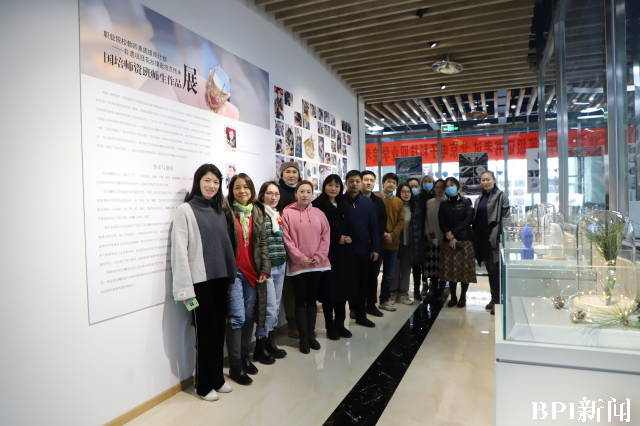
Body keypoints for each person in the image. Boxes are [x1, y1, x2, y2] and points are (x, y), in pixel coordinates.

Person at [170, 164, 237, 401]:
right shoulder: (185, 210)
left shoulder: (220, 209)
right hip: (200, 284)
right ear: (198, 181)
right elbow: (179, 252)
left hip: (220, 280)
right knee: (205, 335)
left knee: (218, 332)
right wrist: (186, 291)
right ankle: (203, 384)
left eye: (216, 182)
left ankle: (217, 378)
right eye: (207, 180)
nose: (211, 185)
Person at [226, 173, 270, 385]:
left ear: (251, 190)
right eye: (237, 187)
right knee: (237, 317)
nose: (242, 190)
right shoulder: (226, 212)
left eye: (246, 187)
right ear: (231, 190)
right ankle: (235, 366)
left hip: (253, 272)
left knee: (250, 316)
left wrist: (265, 268)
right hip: (234, 273)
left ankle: (245, 357)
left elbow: (263, 243)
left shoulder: (257, 211)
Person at [281, 180, 331, 353]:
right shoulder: (287, 213)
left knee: (312, 301)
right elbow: (286, 239)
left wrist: (318, 257)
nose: (305, 195)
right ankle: (303, 338)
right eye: (301, 191)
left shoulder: (319, 213)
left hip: (317, 265)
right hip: (298, 266)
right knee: (300, 300)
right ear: (296, 194)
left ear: (312, 194)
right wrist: (301, 258)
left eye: (308, 191)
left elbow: (326, 236)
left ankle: (311, 336)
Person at [312, 174, 353, 339]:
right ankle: (330, 327)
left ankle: (340, 324)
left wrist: (349, 236)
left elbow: (351, 224)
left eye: (336, 185)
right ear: (324, 186)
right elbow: (317, 231)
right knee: (329, 292)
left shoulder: (344, 202)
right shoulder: (317, 205)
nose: (333, 188)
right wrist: (337, 239)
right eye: (330, 185)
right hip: (327, 254)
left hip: (344, 254)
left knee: (343, 290)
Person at [253, 182, 288, 363]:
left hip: (280, 265)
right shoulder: (258, 213)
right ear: (262, 195)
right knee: (268, 309)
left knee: (275, 308)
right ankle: (260, 347)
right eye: (269, 193)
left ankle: (270, 344)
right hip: (266, 269)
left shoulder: (276, 214)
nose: (273, 197)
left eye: (276, 194)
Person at [344, 170, 380, 328]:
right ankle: (351, 310)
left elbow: (374, 227)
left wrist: (375, 248)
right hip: (344, 250)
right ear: (346, 183)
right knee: (348, 283)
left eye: (357, 181)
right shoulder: (340, 201)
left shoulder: (368, 203)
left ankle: (361, 314)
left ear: (361, 183)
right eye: (351, 181)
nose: (354, 184)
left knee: (362, 283)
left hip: (363, 249)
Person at [473, 171, 510, 315]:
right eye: (483, 180)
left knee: (496, 272)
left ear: (494, 180)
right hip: (483, 240)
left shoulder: (501, 196)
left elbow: (506, 219)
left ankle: (498, 301)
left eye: (488, 179)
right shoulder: (479, 198)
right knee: (490, 271)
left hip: (495, 239)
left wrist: (501, 237)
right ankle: (494, 299)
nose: (485, 182)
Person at [439, 177, 477, 308]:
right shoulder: (444, 204)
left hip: (464, 240)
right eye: (447, 186)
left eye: (452, 185)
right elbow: (441, 221)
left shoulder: (466, 201)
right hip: (448, 241)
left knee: (464, 271)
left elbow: (468, 220)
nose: (450, 187)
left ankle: (463, 296)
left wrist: (453, 233)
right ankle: (453, 297)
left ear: (458, 186)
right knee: (451, 271)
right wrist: (448, 234)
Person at [277, 161, 302, 338]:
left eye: (294, 172)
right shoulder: (278, 192)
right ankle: (292, 324)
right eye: (288, 172)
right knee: (289, 288)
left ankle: (303, 322)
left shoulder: (302, 191)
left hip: (303, 246)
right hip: (284, 246)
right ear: (282, 174)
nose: (291, 175)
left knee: (301, 285)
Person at [391, 183, 425, 305]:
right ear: (399, 193)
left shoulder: (415, 208)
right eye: (403, 191)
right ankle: (392, 293)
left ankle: (403, 294)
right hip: (396, 243)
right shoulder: (395, 206)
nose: (406, 194)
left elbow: (419, 227)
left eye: (408, 192)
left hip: (410, 244)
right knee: (395, 269)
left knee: (406, 270)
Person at [375, 173, 404, 312]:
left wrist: (392, 234)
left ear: (396, 185)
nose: (391, 184)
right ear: (383, 183)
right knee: (373, 273)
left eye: (394, 182)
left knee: (389, 274)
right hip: (377, 243)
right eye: (389, 181)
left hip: (392, 243)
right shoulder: (375, 198)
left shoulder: (398, 201)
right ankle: (369, 301)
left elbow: (401, 221)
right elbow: (372, 219)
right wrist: (381, 233)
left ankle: (384, 300)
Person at [361, 170, 386, 317]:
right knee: (359, 278)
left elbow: (382, 223)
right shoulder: (352, 200)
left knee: (372, 276)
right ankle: (357, 308)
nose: (369, 183)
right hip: (358, 245)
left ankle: (371, 305)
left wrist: (376, 244)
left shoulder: (378, 201)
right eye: (366, 180)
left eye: (371, 180)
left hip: (375, 245)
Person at [407, 176, 428, 300]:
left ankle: (422, 287)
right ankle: (415, 290)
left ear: (419, 187)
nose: (413, 189)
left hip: (422, 238)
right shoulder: (405, 202)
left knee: (423, 265)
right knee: (414, 266)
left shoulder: (423, 201)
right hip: (410, 239)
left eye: (416, 186)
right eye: (411, 187)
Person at [425, 179, 446, 299]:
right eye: (437, 187)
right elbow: (426, 220)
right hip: (432, 237)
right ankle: (433, 287)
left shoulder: (448, 201)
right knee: (433, 265)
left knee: (443, 265)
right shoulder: (429, 202)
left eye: (442, 187)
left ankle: (442, 289)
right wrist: (428, 233)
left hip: (445, 238)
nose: (439, 189)